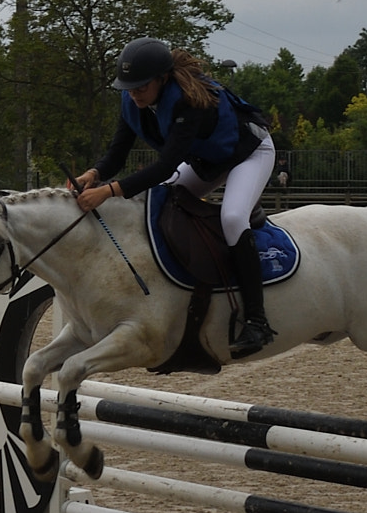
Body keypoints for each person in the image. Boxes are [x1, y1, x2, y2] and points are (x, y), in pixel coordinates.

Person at [73, 38, 277, 358]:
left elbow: (166, 165)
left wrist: (110, 191)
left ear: (162, 78)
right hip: (207, 161)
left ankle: (257, 321)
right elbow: (117, 154)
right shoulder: (132, 102)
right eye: (129, 87)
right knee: (160, 202)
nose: (134, 93)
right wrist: (93, 174)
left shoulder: (186, 101)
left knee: (233, 218)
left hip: (248, 153)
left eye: (140, 86)